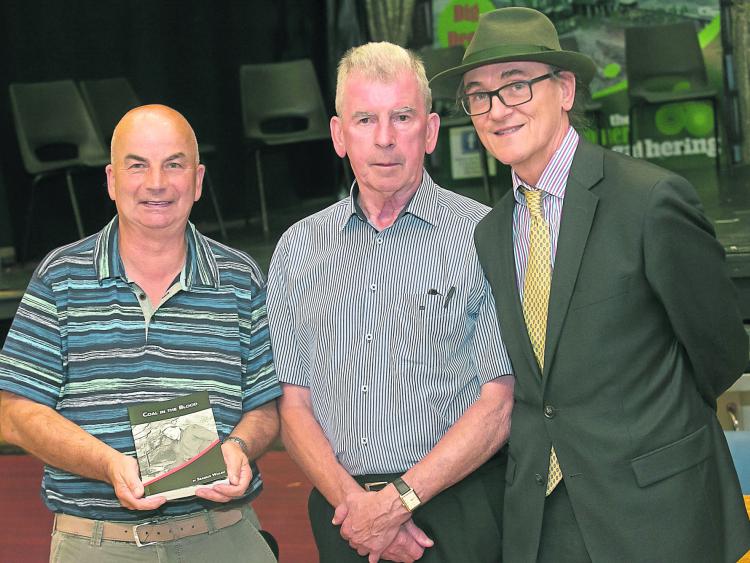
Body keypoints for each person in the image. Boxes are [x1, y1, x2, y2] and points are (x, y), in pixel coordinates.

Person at [431, 7, 750, 562]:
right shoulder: (490, 230)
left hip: (656, 513)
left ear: (566, 89)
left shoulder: (650, 201)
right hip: (543, 517)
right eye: (478, 95)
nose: (496, 109)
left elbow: (720, 354)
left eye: (516, 86)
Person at [266, 42, 514, 563]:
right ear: (338, 135)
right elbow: (294, 406)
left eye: (402, 117)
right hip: (345, 513)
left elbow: (500, 401)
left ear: (429, 132)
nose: (384, 139)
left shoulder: (484, 235)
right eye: (365, 119)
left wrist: (399, 502)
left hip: (461, 504)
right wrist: (358, 508)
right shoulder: (297, 250)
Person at [0, 105, 281, 562]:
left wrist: (241, 446)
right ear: (111, 180)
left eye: (174, 164)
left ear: (198, 179)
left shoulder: (240, 278)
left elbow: (265, 407)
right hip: (97, 544)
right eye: (138, 165)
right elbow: (13, 413)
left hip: (224, 538)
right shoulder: (61, 277)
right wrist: (108, 464)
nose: (156, 183)